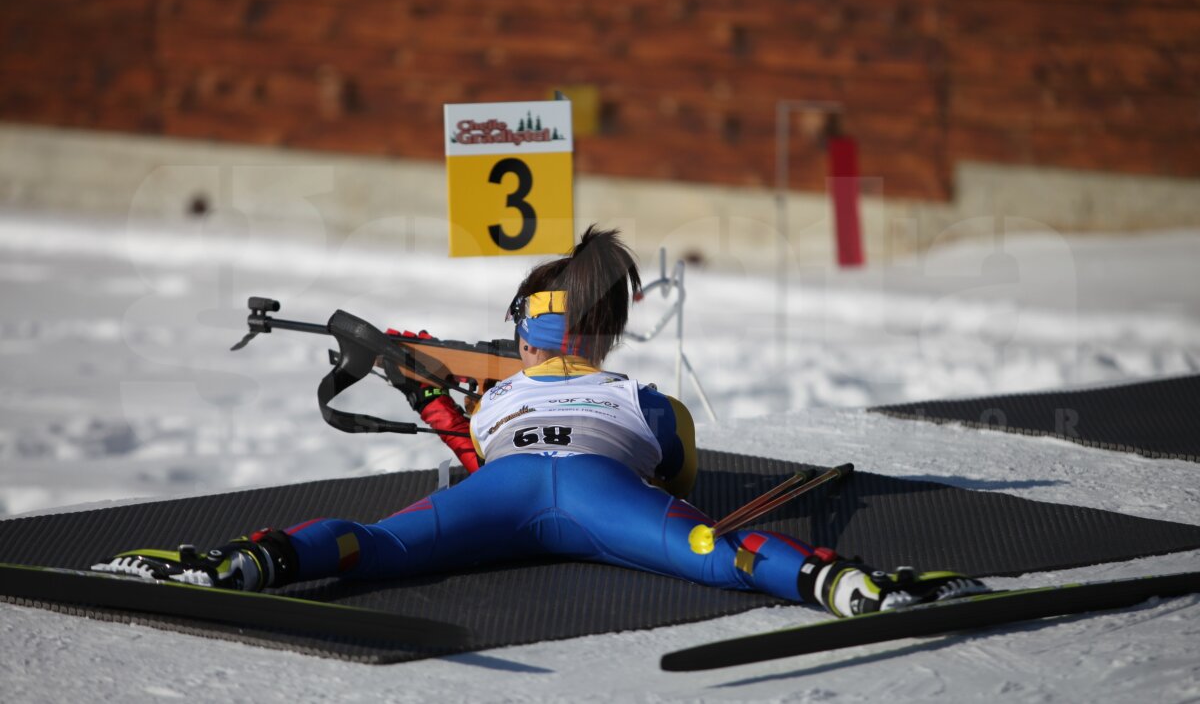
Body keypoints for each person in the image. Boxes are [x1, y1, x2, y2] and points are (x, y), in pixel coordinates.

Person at [94, 227, 985, 618]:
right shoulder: (645, 396)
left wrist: (431, 389)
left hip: (505, 485)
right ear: (604, 331)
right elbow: (675, 477)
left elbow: (472, 452)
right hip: (605, 494)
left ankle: (243, 559)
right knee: (723, 554)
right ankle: (850, 588)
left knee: (370, 542)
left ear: (525, 329)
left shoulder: (501, 396)